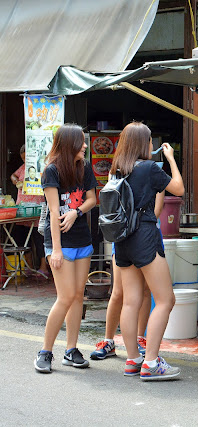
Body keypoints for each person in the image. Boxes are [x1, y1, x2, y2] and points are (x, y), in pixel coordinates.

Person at [111, 122, 184, 381]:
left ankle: (133, 359)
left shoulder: (117, 170)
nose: (152, 143)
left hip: (122, 239)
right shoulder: (149, 168)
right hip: (144, 236)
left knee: (131, 300)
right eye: (150, 140)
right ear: (145, 144)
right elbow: (178, 188)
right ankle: (151, 362)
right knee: (165, 300)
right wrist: (171, 159)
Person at [34, 124, 98, 373]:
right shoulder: (51, 171)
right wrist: (56, 251)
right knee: (66, 297)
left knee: (78, 297)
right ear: (69, 144)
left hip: (83, 241)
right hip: (60, 243)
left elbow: (92, 199)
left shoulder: (85, 168)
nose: (84, 145)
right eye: (81, 142)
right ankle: (45, 351)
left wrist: (76, 211)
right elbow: (52, 212)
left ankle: (71, 350)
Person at [90, 192, 165, 361]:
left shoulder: (152, 174)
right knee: (118, 291)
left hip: (147, 236)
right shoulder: (120, 173)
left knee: (146, 290)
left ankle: (140, 338)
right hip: (124, 235)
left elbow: (157, 210)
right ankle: (108, 341)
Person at [10, 144, 48, 278]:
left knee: (39, 237)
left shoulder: (42, 166)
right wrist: (16, 181)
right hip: (23, 209)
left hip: (37, 208)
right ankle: (29, 266)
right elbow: (13, 175)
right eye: (23, 159)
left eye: (27, 158)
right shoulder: (23, 168)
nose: (26, 162)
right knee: (23, 236)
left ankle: (44, 267)